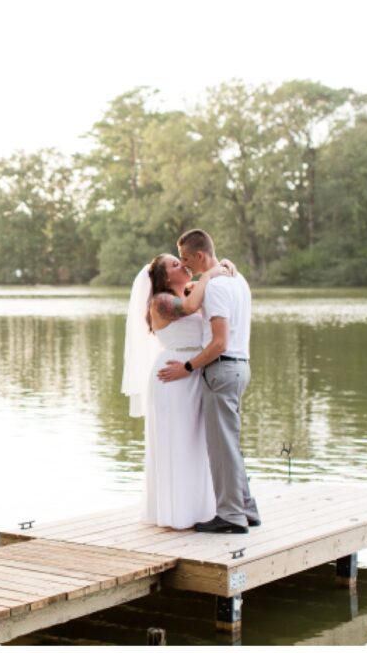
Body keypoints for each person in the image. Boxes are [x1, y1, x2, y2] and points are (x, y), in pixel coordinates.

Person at [158, 229, 260, 534]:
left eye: (186, 258)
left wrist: (188, 366)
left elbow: (219, 343)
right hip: (240, 368)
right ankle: (247, 509)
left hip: (222, 368)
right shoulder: (237, 280)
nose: (184, 264)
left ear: (200, 256)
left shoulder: (215, 288)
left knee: (221, 447)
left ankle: (230, 516)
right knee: (231, 444)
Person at [122, 253, 231, 530]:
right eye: (174, 264)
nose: (181, 265)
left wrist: (224, 269)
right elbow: (190, 307)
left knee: (196, 443)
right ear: (164, 278)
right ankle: (175, 513)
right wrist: (210, 273)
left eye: (180, 261)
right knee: (177, 442)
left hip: (193, 372)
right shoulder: (161, 302)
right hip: (172, 376)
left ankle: (200, 509)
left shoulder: (189, 291)